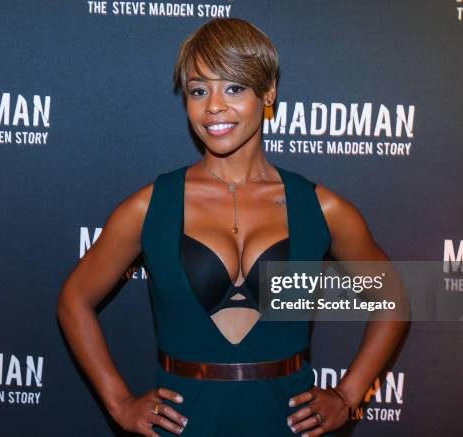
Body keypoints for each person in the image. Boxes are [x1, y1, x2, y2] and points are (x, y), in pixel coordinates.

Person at [57, 18, 409, 437]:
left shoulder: (322, 208)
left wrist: (349, 397)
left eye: (235, 88)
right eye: (199, 90)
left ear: (269, 92)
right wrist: (118, 402)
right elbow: (74, 300)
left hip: (286, 425)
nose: (213, 107)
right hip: (183, 426)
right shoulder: (150, 206)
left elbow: (394, 298)